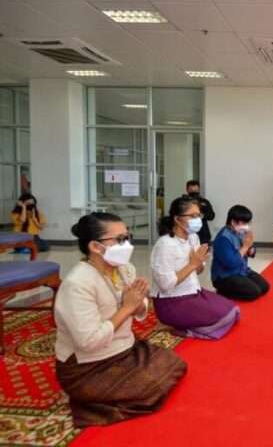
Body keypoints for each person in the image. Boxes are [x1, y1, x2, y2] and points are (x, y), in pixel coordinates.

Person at [54, 212, 187, 427]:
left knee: (174, 363)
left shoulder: (125, 269)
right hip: (88, 364)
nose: (127, 245)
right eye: (120, 239)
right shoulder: (77, 284)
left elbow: (140, 309)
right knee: (151, 388)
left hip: (123, 349)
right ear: (95, 246)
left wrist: (137, 303)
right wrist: (126, 308)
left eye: (128, 237)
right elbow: (88, 342)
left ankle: (113, 391)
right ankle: (88, 401)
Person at [151, 196, 240, 339]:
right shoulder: (165, 244)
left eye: (199, 215)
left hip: (194, 292)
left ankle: (186, 323)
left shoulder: (193, 238)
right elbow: (166, 285)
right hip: (171, 302)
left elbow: (199, 271)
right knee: (225, 317)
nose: (197, 220)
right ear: (177, 219)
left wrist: (198, 263)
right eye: (192, 216)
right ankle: (183, 329)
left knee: (233, 310)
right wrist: (192, 264)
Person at [212, 205, 270, 301]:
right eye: (245, 222)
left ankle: (241, 284)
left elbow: (251, 250)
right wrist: (245, 247)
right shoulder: (223, 238)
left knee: (264, 287)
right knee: (254, 292)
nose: (247, 226)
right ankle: (223, 291)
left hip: (242, 270)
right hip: (226, 276)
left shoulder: (240, 231)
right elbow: (230, 263)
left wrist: (250, 249)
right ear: (233, 222)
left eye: (248, 222)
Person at [184, 180, 215, 244]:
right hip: (187, 232)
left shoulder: (205, 202)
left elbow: (212, 215)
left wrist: (203, 216)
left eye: (195, 190)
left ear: (199, 190)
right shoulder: (182, 202)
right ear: (187, 190)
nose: (194, 192)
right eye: (191, 190)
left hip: (203, 234)